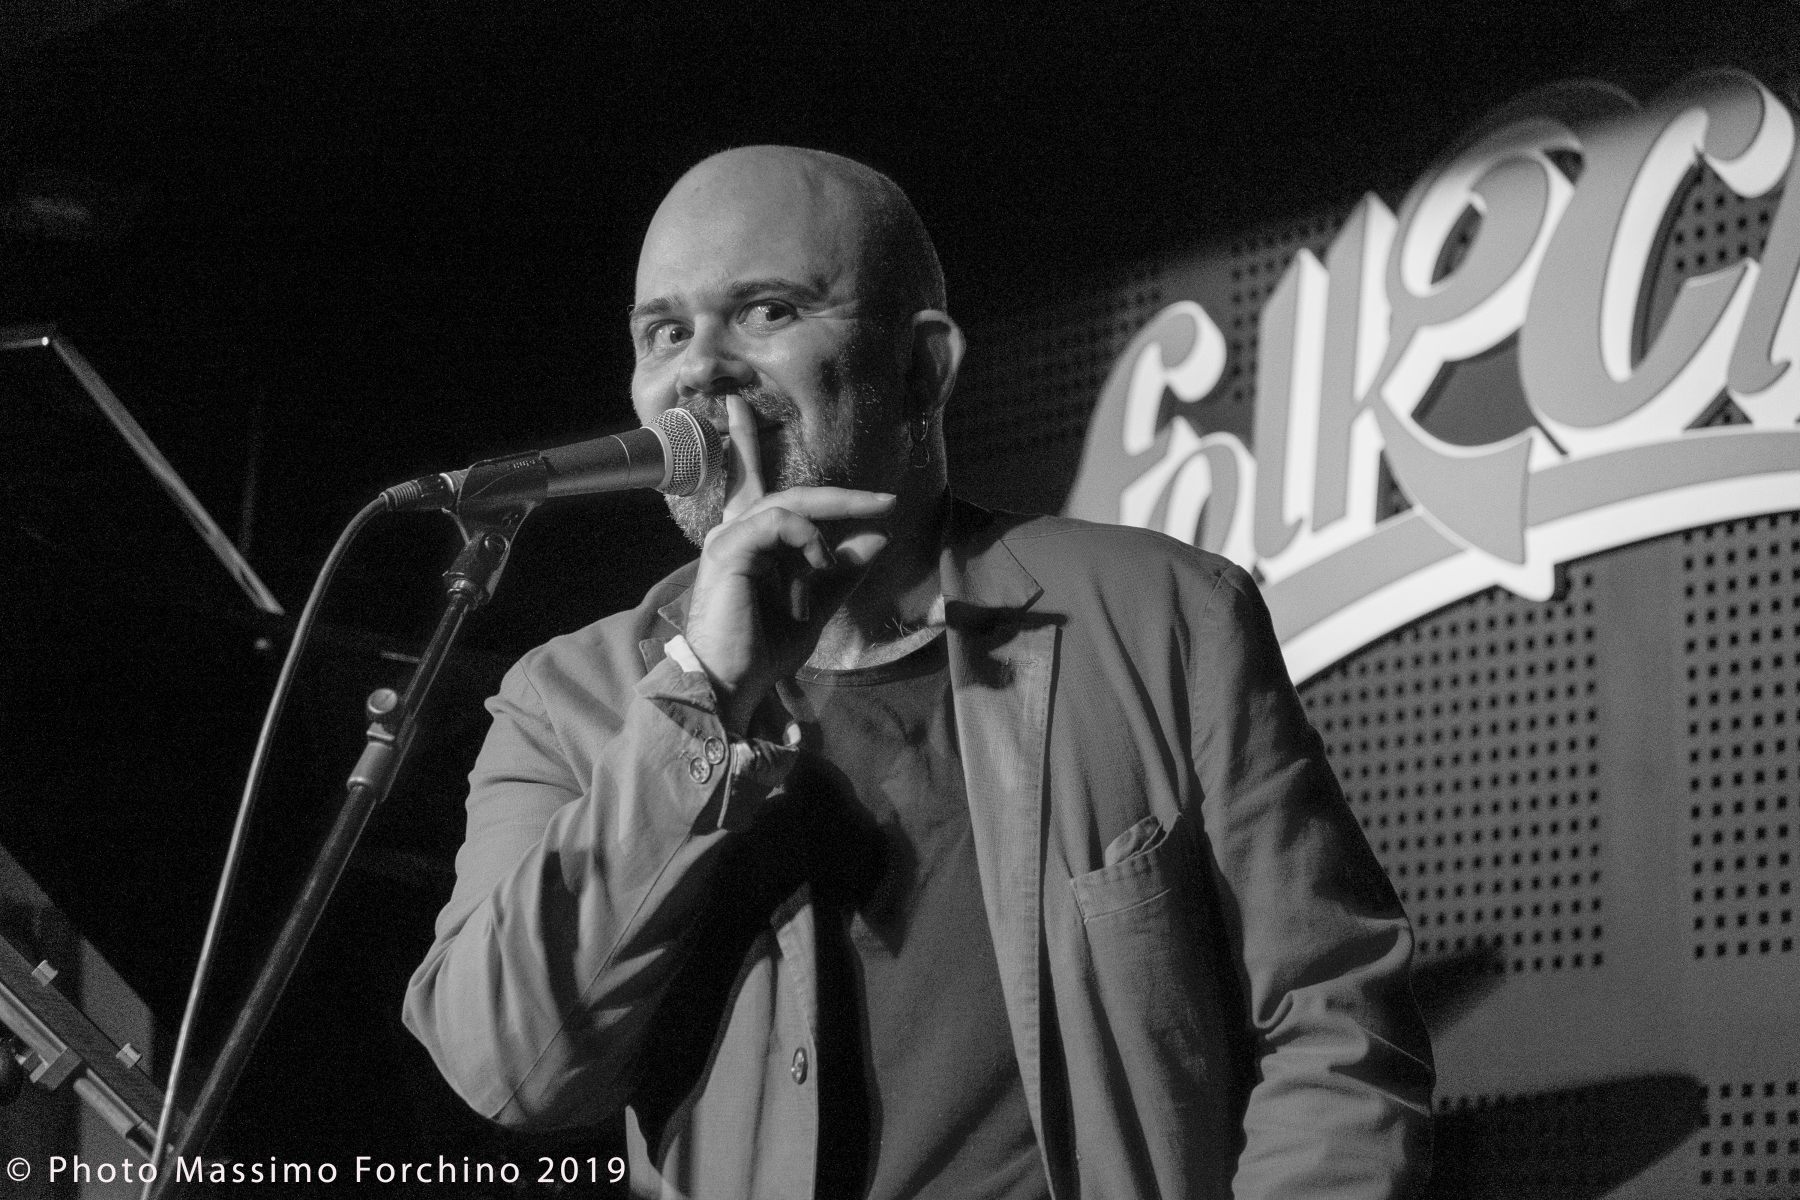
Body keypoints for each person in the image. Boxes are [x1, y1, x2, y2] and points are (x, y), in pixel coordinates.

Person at [404, 145, 1433, 1199]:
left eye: (767, 311)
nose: (699, 368)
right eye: (665, 331)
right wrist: (703, 690)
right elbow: (508, 1069)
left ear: (923, 368)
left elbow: (1332, 1022)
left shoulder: (1162, 617)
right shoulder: (565, 701)